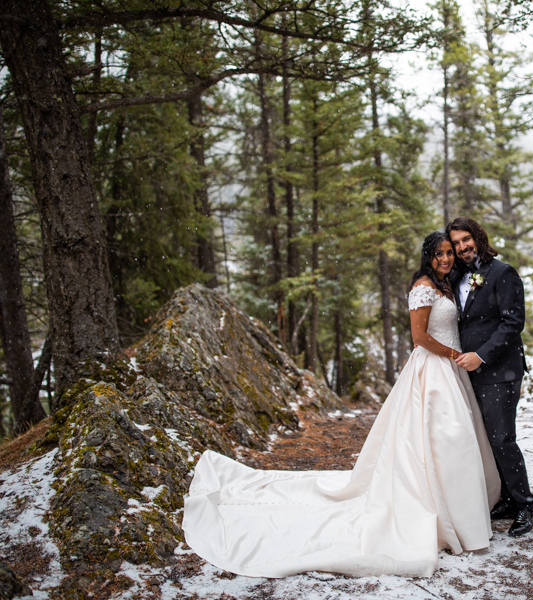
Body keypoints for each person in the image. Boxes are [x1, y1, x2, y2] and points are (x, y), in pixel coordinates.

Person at [181, 232, 501, 578]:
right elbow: (419, 337)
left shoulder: (445, 284)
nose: (446, 259)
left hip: (452, 372)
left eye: (449, 253)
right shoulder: (423, 287)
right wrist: (454, 354)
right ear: (428, 257)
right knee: (441, 435)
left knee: (455, 440)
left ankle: (461, 509)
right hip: (434, 367)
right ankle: (437, 510)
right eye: (439, 254)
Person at [446, 216, 533, 537]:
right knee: (485, 439)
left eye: (465, 240)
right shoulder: (457, 275)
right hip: (467, 371)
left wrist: (481, 355)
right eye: (455, 243)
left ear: (478, 237)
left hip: (500, 370)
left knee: (502, 437)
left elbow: (513, 323)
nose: (461, 247)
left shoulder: (502, 273)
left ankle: (526, 504)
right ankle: (508, 499)